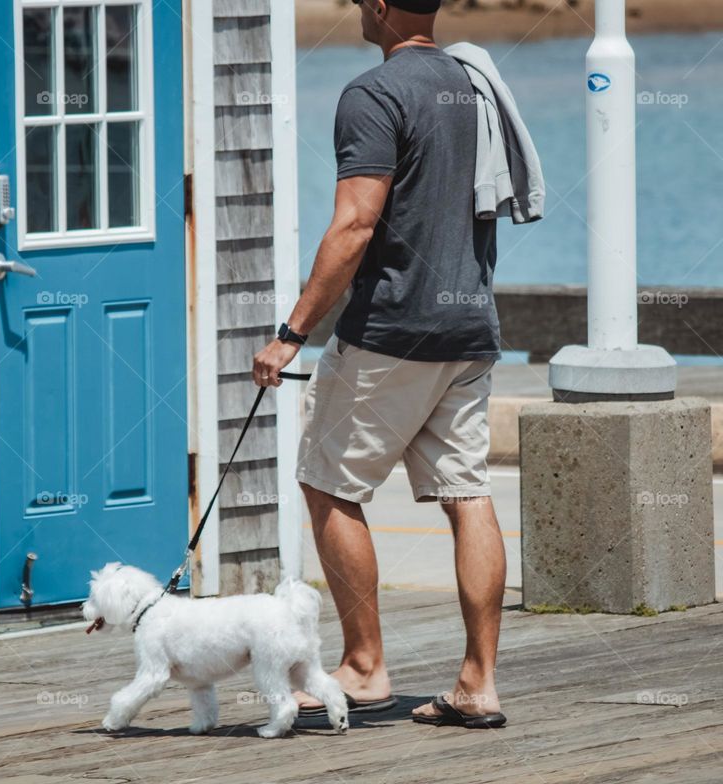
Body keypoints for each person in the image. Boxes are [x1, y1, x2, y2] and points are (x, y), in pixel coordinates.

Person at [252, 0, 509, 728]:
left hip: (394, 327)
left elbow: (356, 221)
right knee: (467, 492)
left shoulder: (374, 92)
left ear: (383, 8)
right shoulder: (471, 82)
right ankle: (477, 684)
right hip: (469, 324)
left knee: (328, 483)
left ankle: (364, 667)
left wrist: (291, 333)